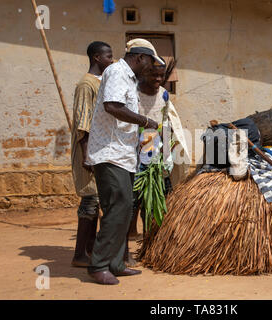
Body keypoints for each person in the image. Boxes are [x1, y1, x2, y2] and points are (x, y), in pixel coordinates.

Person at [86, 38, 164, 285]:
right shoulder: (118, 72)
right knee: (118, 207)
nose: (151, 68)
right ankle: (98, 265)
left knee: (122, 208)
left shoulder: (128, 78)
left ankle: (116, 263)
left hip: (123, 154)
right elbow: (112, 106)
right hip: (110, 153)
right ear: (140, 58)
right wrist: (145, 121)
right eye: (150, 62)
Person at [127, 61, 191, 247]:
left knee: (158, 193)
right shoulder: (133, 93)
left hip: (156, 146)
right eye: (153, 75)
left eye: (161, 76)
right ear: (144, 73)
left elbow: (166, 121)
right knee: (135, 194)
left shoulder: (163, 94)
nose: (158, 79)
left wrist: (167, 151)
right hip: (135, 146)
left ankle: (151, 236)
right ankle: (130, 231)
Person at [70, 41, 113, 267]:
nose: (111, 60)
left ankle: (90, 248)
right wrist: (87, 155)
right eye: (108, 56)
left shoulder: (101, 82)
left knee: (96, 201)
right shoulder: (86, 85)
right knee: (90, 200)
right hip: (88, 151)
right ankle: (79, 255)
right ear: (96, 57)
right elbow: (82, 122)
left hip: (100, 150)